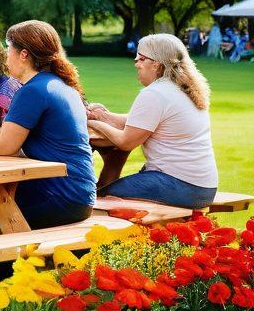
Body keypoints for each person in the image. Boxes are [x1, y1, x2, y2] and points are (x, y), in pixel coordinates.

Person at [0, 21, 95, 227]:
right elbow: (11, 143)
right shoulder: (59, 85)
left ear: (23, 54)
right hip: (77, 194)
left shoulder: (32, 91)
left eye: (9, 50)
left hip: (58, 196)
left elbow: (6, 147)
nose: (6, 57)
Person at [88, 34, 218, 208]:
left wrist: (93, 124)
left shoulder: (155, 93)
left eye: (141, 58)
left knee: (99, 198)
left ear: (156, 64)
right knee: (107, 187)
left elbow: (126, 142)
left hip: (181, 186)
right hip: (203, 187)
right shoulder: (179, 89)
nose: (136, 63)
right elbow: (139, 121)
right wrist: (102, 116)